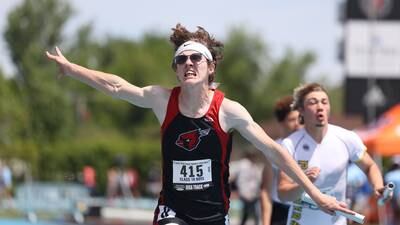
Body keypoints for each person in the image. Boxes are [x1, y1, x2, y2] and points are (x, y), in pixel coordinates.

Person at [46, 24, 355, 225]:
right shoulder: (161, 100)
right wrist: (71, 69)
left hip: (213, 214)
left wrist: (316, 194)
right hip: (173, 211)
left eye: (196, 59)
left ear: (210, 68)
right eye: (182, 60)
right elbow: (115, 86)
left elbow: (275, 152)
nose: (189, 64)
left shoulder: (228, 111)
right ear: (176, 71)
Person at [277, 83, 388, 225]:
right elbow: (282, 194)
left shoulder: (347, 138)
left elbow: (369, 166)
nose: (320, 107)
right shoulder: (290, 144)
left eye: (324, 102)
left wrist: (378, 186)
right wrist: (303, 183)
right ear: (301, 110)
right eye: (312, 102)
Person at [260, 95, 302, 225]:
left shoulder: (309, 146)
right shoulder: (273, 149)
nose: (297, 124)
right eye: (292, 119)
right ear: (281, 122)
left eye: (300, 119)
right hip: (281, 212)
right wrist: (266, 222)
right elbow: (266, 190)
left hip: (303, 209)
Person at [230, 151, 263, 225]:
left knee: (248, 213)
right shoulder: (243, 164)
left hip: (250, 193)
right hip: (246, 192)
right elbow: (233, 177)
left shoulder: (253, 165)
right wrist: (233, 190)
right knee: (252, 212)